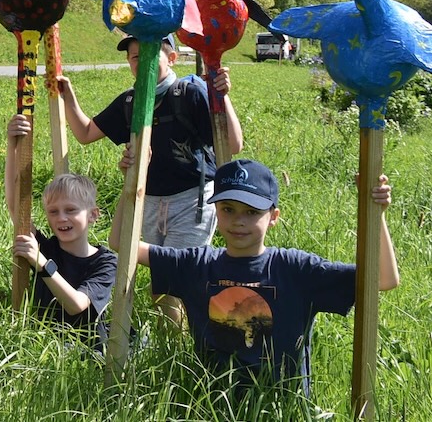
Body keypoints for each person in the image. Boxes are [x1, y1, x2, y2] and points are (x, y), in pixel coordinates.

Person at [137, 159, 398, 395]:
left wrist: (375, 213)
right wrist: (133, 182)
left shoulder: (295, 269)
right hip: (211, 406)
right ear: (216, 212)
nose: (239, 220)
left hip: (280, 407)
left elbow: (384, 279)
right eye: (228, 209)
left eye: (251, 212)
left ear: (273, 217)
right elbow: (122, 243)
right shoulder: (198, 264)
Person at [59, 34, 238, 322]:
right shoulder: (131, 101)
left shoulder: (190, 92)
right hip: (150, 200)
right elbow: (86, 133)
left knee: (175, 275)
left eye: (151, 55)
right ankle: (176, 342)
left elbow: (232, 144)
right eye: (134, 57)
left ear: (172, 58)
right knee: (162, 280)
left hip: (193, 198)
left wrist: (221, 97)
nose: (142, 63)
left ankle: (200, 335)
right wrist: (67, 95)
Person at [5, 114, 118, 346]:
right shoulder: (46, 247)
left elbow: (77, 305)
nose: (61, 218)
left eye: (70, 210)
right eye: (53, 212)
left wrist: (41, 263)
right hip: (42, 347)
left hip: (87, 353)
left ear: (93, 215)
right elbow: (15, 204)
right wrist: (12, 145)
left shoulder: (106, 262)